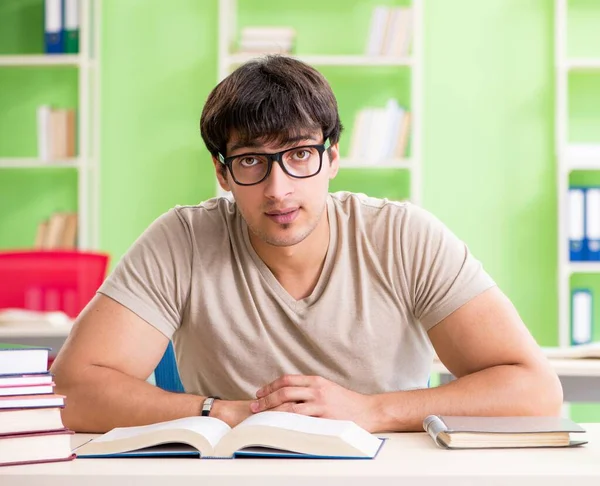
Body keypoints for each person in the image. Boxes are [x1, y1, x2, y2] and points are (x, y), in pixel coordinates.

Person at [51, 55, 562, 434]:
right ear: (222, 172)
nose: (278, 189)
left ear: (332, 158)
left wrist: (370, 410)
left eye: (299, 155)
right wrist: (223, 412)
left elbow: (535, 391)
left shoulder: (404, 236)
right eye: (251, 160)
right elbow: (72, 390)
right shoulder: (181, 239)